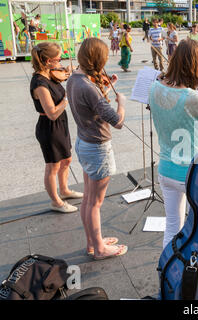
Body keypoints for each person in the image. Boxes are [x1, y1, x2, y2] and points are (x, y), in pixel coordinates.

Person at [149, 39, 198, 249]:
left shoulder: (155, 87)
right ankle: (193, 273)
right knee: (197, 229)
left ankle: (166, 271)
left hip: (166, 169)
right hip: (193, 174)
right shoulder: (195, 98)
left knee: (173, 226)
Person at [67, 37, 127, 260]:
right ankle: (99, 250)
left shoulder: (75, 78)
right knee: (95, 202)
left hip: (84, 142)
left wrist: (105, 89)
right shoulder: (89, 87)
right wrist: (121, 102)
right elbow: (116, 121)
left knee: (88, 199)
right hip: (97, 147)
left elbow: (92, 107)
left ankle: (93, 242)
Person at [30, 42, 82, 213]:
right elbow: (52, 113)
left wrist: (69, 71)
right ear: (47, 61)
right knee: (53, 165)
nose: (60, 64)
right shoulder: (39, 83)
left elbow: (64, 75)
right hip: (49, 126)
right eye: (58, 60)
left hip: (61, 124)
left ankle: (65, 191)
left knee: (66, 159)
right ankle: (56, 202)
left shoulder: (50, 74)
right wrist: (67, 98)